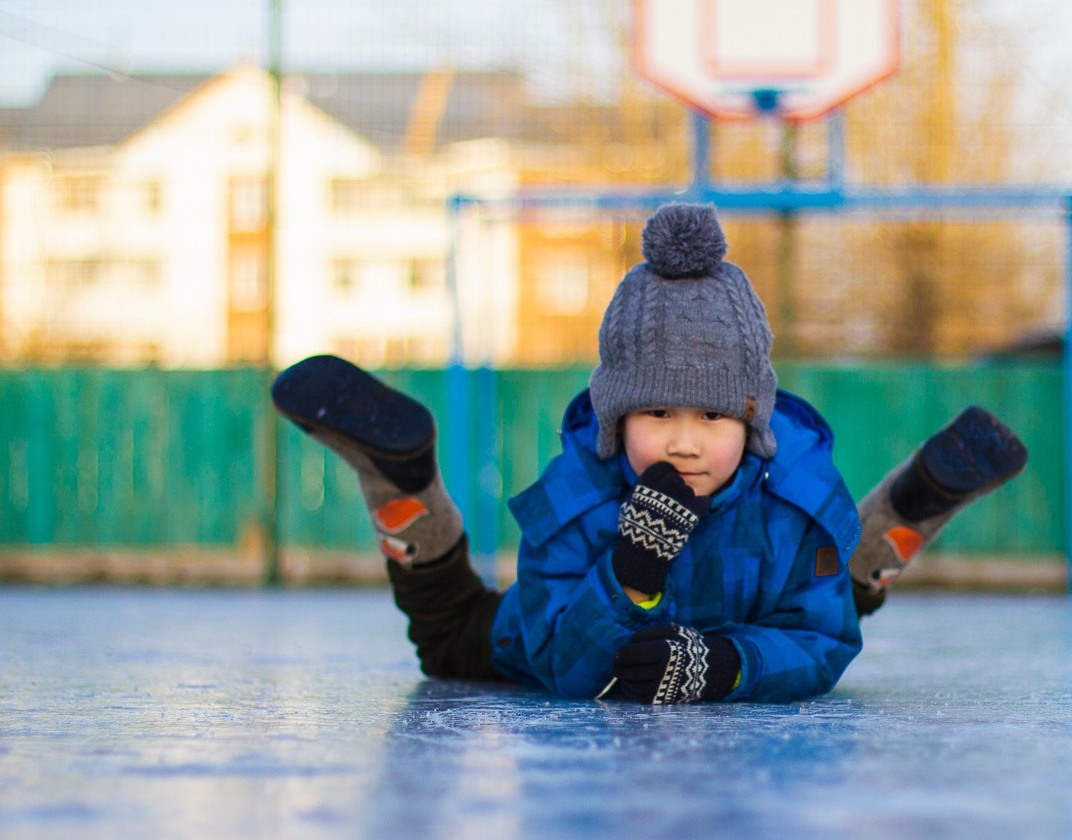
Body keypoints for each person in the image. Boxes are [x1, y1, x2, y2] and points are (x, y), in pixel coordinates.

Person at [271, 202, 1026, 705]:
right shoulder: (581, 490)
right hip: (553, 627)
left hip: (748, 611)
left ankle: (916, 502)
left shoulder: (795, 491)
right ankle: (402, 480)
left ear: (754, 415)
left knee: (834, 583)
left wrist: (724, 666)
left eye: (713, 415)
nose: (684, 439)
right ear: (615, 414)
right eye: (656, 411)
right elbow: (564, 666)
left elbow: (822, 639)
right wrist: (628, 575)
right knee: (450, 636)